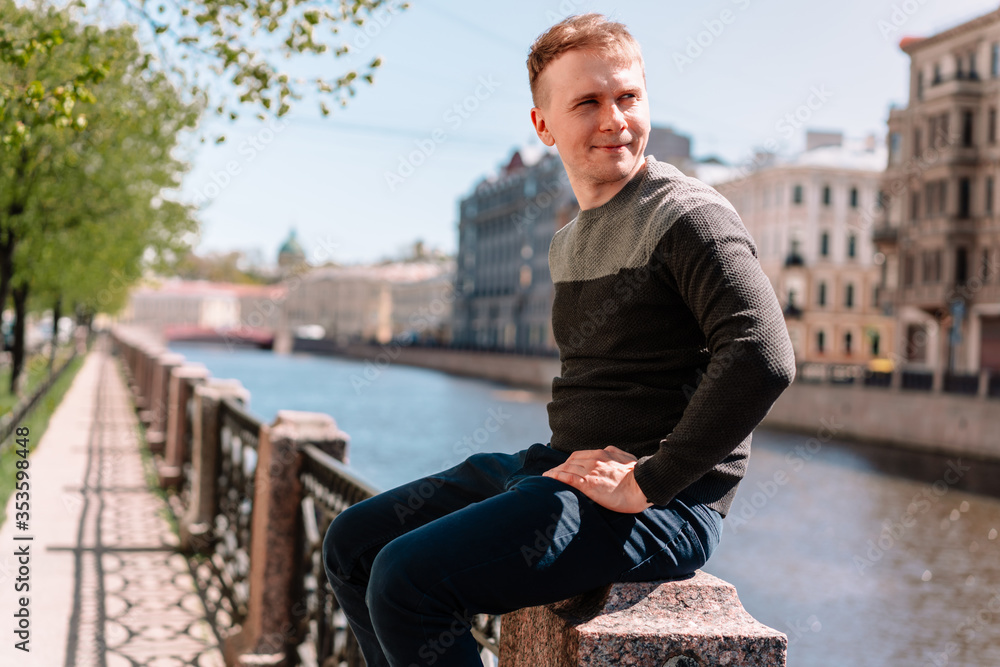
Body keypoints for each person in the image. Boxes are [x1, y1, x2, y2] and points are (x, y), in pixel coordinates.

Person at [323, 13, 796, 666]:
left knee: (408, 581)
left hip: (664, 506)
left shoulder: (689, 215)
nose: (614, 120)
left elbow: (762, 353)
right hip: (564, 465)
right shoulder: (568, 240)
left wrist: (650, 481)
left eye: (627, 97)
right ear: (543, 125)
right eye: (587, 103)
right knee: (353, 543)